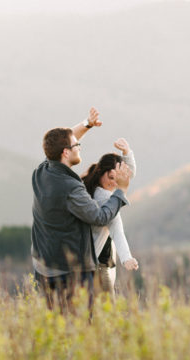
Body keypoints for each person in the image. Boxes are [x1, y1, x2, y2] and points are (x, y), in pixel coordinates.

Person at [31, 108, 132, 315]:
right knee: (79, 326)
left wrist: (86, 124)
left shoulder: (42, 171)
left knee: (53, 325)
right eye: (77, 145)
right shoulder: (71, 187)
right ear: (66, 153)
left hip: (43, 266)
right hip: (70, 272)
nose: (79, 146)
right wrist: (121, 190)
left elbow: (61, 142)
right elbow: (99, 216)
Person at [81, 138, 140, 298]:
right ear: (101, 171)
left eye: (117, 178)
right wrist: (126, 258)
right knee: (107, 312)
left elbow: (127, 176)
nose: (114, 183)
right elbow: (117, 228)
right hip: (98, 265)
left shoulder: (88, 186)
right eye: (111, 177)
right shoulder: (105, 198)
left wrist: (127, 153)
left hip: (94, 261)